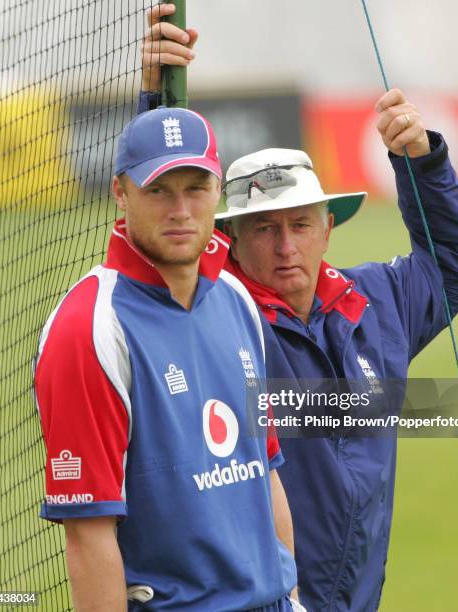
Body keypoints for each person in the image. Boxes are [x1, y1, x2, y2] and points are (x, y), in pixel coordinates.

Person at [139, 5, 458, 611]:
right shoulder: (216, 310)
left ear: (329, 228)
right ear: (232, 239)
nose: (285, 245)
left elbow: (456, 259)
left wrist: (422, 163)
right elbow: (157, 244)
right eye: (264, 228)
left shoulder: (378, 301)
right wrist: (154, 102)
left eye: (300, 224)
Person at [34, 105, 301, 611]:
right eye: (158, 190)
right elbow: (89, 538)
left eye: (196, 187)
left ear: (218, 190)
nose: (180, 210)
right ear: (120, 192)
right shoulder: (90, 328)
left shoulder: (237, 300)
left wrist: (290, 593)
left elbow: (263, 469)